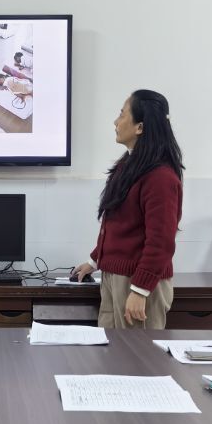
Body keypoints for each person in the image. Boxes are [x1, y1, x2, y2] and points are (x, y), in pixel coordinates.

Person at [73, 89, 184, 329]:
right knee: (110, 350)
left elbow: (161, 241)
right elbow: (119, 225)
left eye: (122, 115)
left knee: (136, 353)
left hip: (137, 283)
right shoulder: (129, 165)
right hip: (114, 278)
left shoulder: (160, 176)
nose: (116, 122)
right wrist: (95, 260)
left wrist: (140, 289)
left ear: (140, 127)